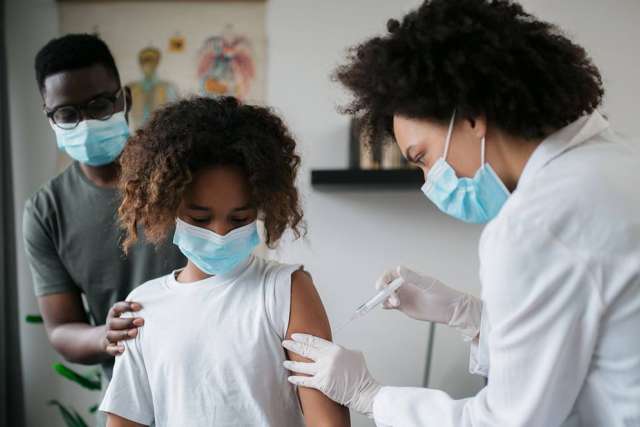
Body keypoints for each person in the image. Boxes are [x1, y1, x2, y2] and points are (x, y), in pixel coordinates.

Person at [282, 1, 640, 426]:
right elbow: (593, 337)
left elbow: (508, 421)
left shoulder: (535, 224)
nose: (429, 181)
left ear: (471, 117)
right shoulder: (617, 165)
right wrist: (471, 315)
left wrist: (373, 397)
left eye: (423, 157)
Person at [99, 96, 350, 427]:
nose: (219, 233)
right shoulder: (143, 306)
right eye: (201, 219)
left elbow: (328, 422)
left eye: (239, 218)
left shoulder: (286, 292)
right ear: (168, 207)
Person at [23, 34, 184, 387]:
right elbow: (62, 329)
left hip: (211, 380)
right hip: (127, 398)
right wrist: (105, 335)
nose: (86, 122)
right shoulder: (46, 211)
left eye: (98, 106)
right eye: (67, 113)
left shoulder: (180, 173)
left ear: (123, 99)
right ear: (50, 117)